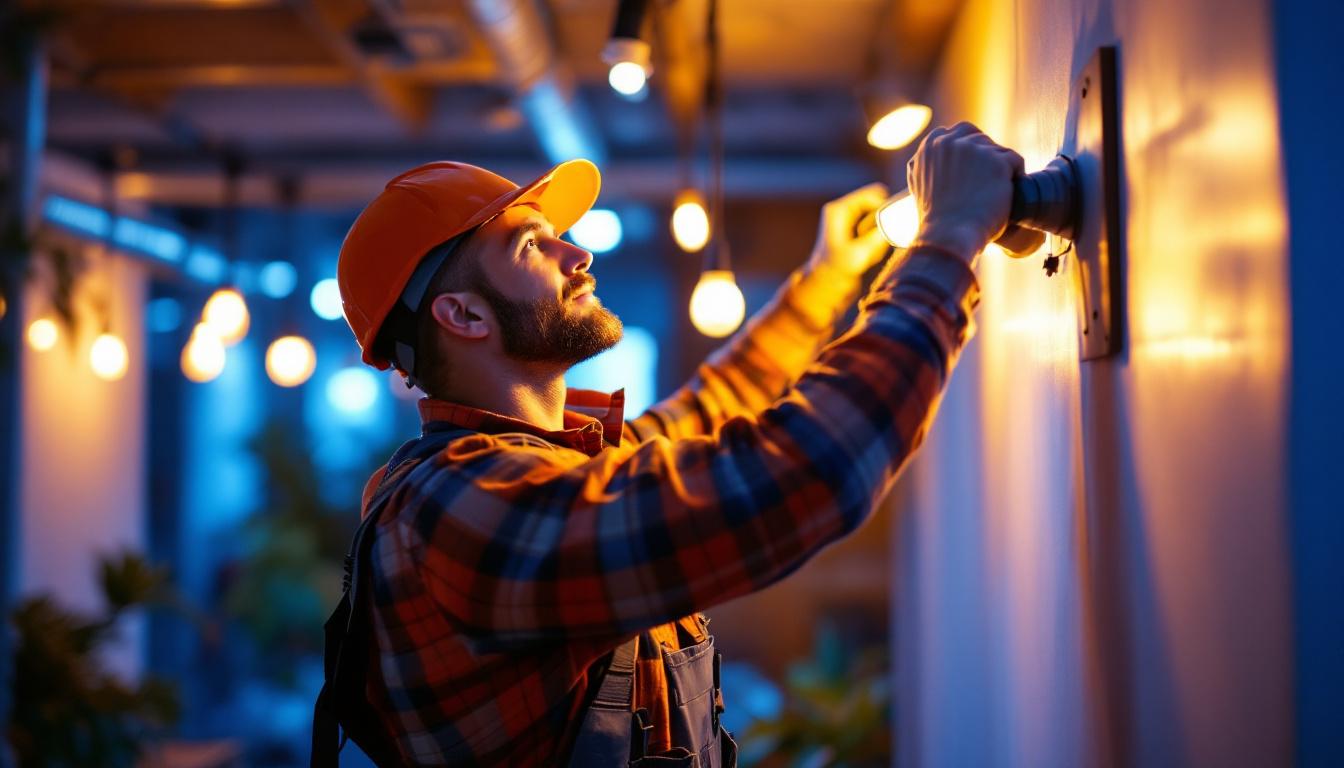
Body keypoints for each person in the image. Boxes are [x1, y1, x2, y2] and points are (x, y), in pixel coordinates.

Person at [323, 121, 1021, 767]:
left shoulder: (550, 470)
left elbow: (713, 407)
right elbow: (804, 473)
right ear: (464, 314)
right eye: (533, 245)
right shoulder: (453, 513)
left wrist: (826, 278)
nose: (579, 251)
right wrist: (947, 243)